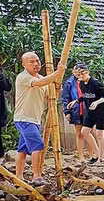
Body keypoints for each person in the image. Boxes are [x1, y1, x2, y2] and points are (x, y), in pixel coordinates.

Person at [14, 52, 67, 183]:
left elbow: (50, 95)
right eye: (31, 62)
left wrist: (57, 89)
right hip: (24, 118)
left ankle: (18, 177)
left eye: (37, 61)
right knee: (38, 146)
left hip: (34, 119)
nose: (36, 64)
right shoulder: (23, 77)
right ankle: (36, 176)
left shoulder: (41, 78)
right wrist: (57, 73)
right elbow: (41, 82)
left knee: (23, 149)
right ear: (24, 64)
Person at [67, 63, 104, 163]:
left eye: (81, 74)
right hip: (90, 112)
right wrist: (76, 101)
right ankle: (97, 153)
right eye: (78, 75)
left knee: (99, 134)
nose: (80, 77)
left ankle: (101, 157)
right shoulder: (81, 83)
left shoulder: (95, 83)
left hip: (101, 111)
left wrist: (97, 102)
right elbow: (85, 96)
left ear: (87, 73)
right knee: (84, 132)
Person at [60, 65, 89, 161]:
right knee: (79, 134)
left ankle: (93, 156)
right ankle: (81, 157)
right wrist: (67, 112)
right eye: (75, 71)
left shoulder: (89, 81)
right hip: (76, 110)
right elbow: (65, 98)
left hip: (88, 110)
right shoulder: (69, 83)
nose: (77, 73)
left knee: (89, 133)